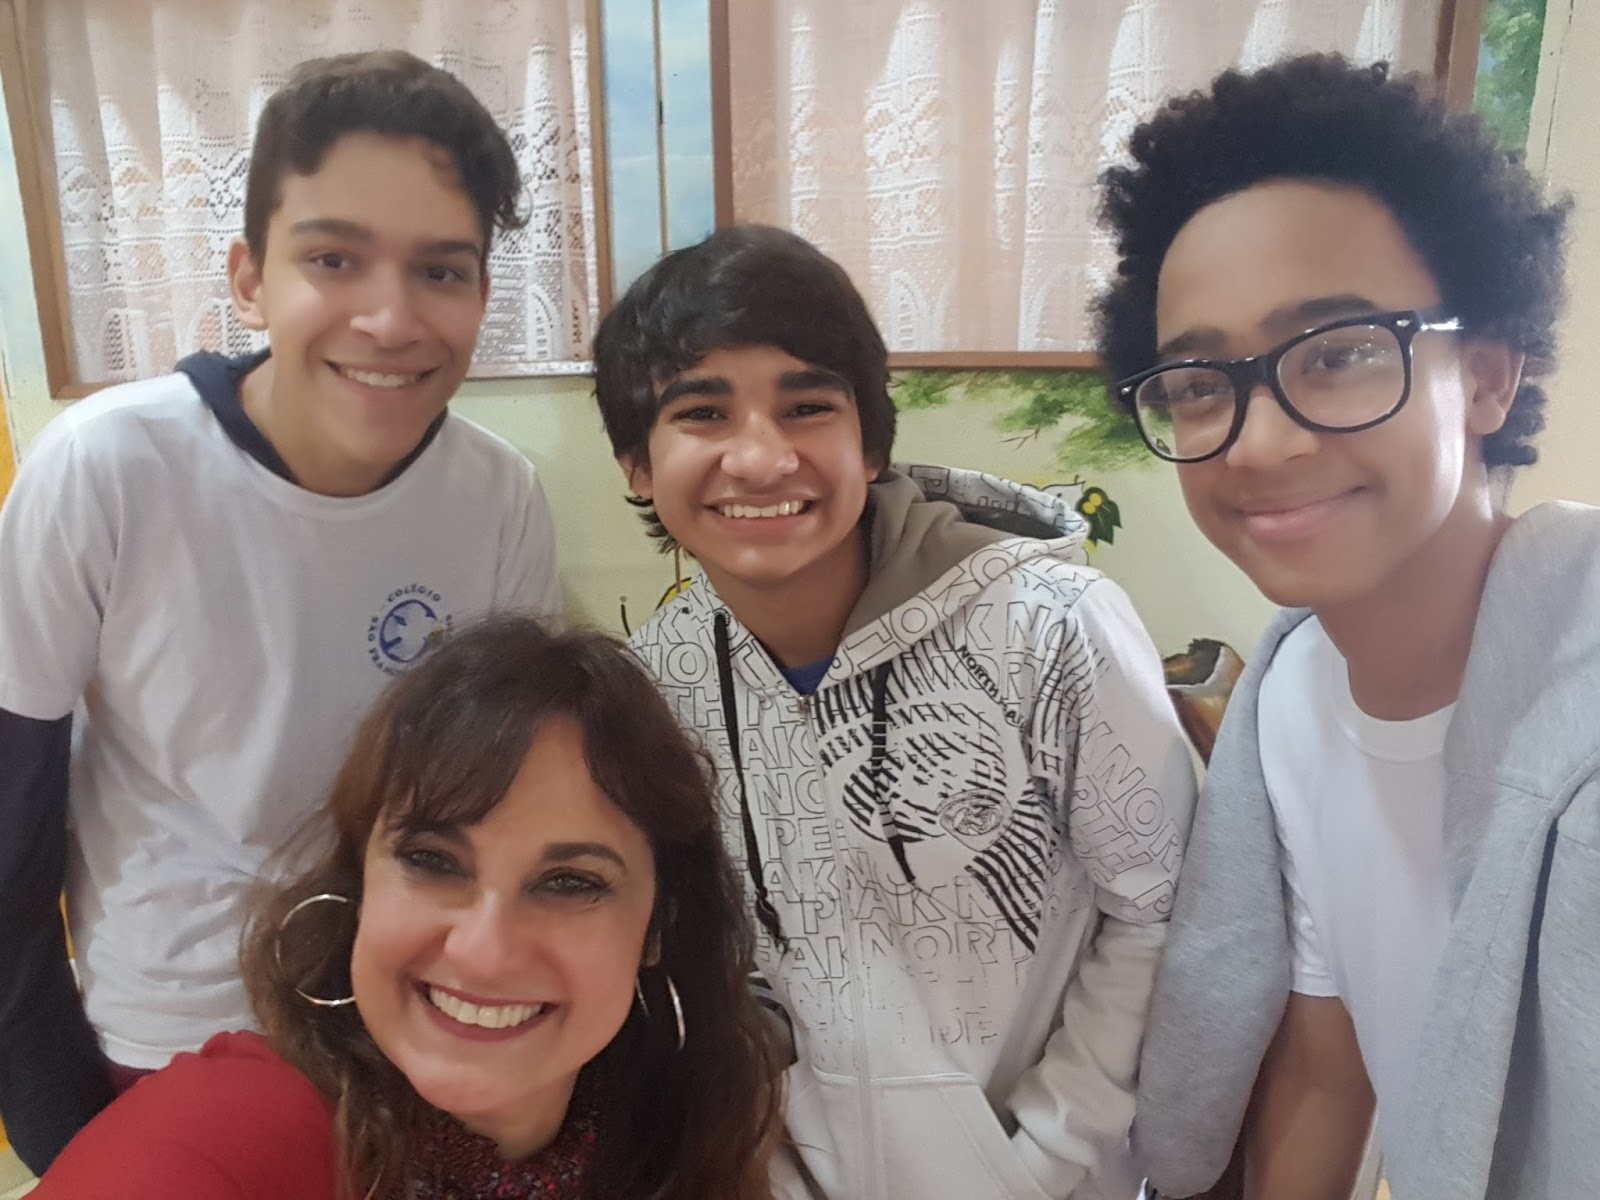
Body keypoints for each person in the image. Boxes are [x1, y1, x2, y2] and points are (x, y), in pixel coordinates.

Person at [0, 50, 562, 1173]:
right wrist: (45, 1098)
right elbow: (12, 805)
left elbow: (511, 799)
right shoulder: (108, 467)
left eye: (441, 271)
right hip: (170, 1038)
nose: (391, 318)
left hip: (415, 1031)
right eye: (334, 259)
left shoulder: (496, 495)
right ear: (250, 276)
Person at [592, 224, 1196, 1200]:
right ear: (637, 462)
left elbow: (1156, 913)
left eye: (806, 408)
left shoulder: (1052, 626)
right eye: (702, 413)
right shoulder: (656, 688)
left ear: (869, 443)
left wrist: (1041, 1160)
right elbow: (713, 968)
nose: (760, 458)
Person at [1095, 54, 1594, 1200]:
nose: (1259, 441)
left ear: (1485, 377)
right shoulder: (1294, 701)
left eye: (1338, 356)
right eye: (1198, 383)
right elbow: (1328, 1077)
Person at [31, 617, 783, 1199]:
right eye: (433, 862)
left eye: (569, 883)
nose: (483, 950)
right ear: (360, 883)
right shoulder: (234, 1128)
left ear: (659, 924)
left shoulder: (680, 1134)